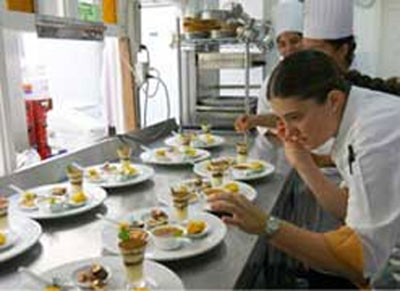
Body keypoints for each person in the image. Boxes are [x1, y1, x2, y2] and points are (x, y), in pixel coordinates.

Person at [209, 50, 400, 287]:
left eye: (295, 118)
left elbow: (360, 259)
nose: (287, 132)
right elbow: (346, 208)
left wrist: (266, 225)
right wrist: (302, 161)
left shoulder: (374, 135)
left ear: (333, 100)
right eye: (281, 120)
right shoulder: (353, 120)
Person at [235, 0, 303, 133]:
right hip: (276, 141)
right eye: (282, 44)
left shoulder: (317, 72)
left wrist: (255, 120)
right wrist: (253, 120)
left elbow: (297, 116)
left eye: (294, 41)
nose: (288, 48)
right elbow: (279, 117)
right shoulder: (275, 76)